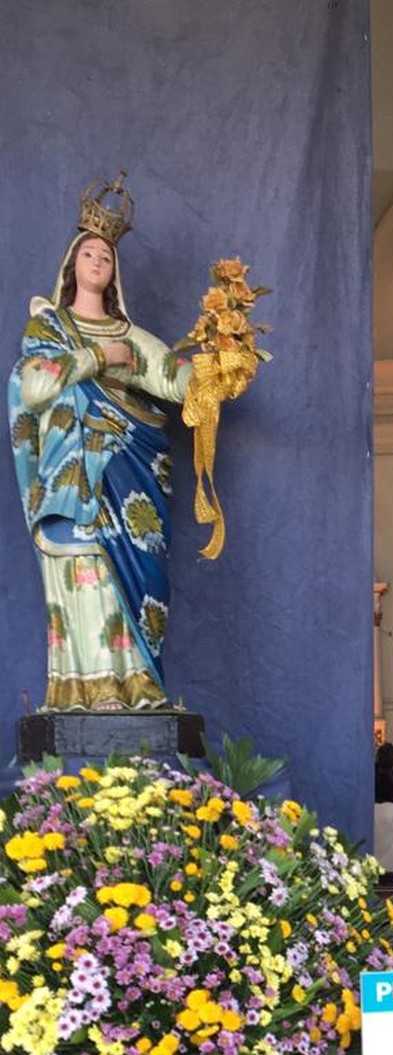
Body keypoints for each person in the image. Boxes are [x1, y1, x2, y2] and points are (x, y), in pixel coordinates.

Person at [8, 185, 193, 711]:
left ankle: (137, 684)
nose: (97, 260)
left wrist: (221, 367)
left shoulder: (131, 335)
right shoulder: (50, 326)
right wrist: (95, 356)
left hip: (132, 475)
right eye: (88, 252)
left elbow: (175, 380)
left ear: (115, 271)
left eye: (106, 256)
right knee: (83, 567)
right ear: (72, 264)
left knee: (138, 576)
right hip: (73, 475)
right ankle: (85, 687)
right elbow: (37, 385)